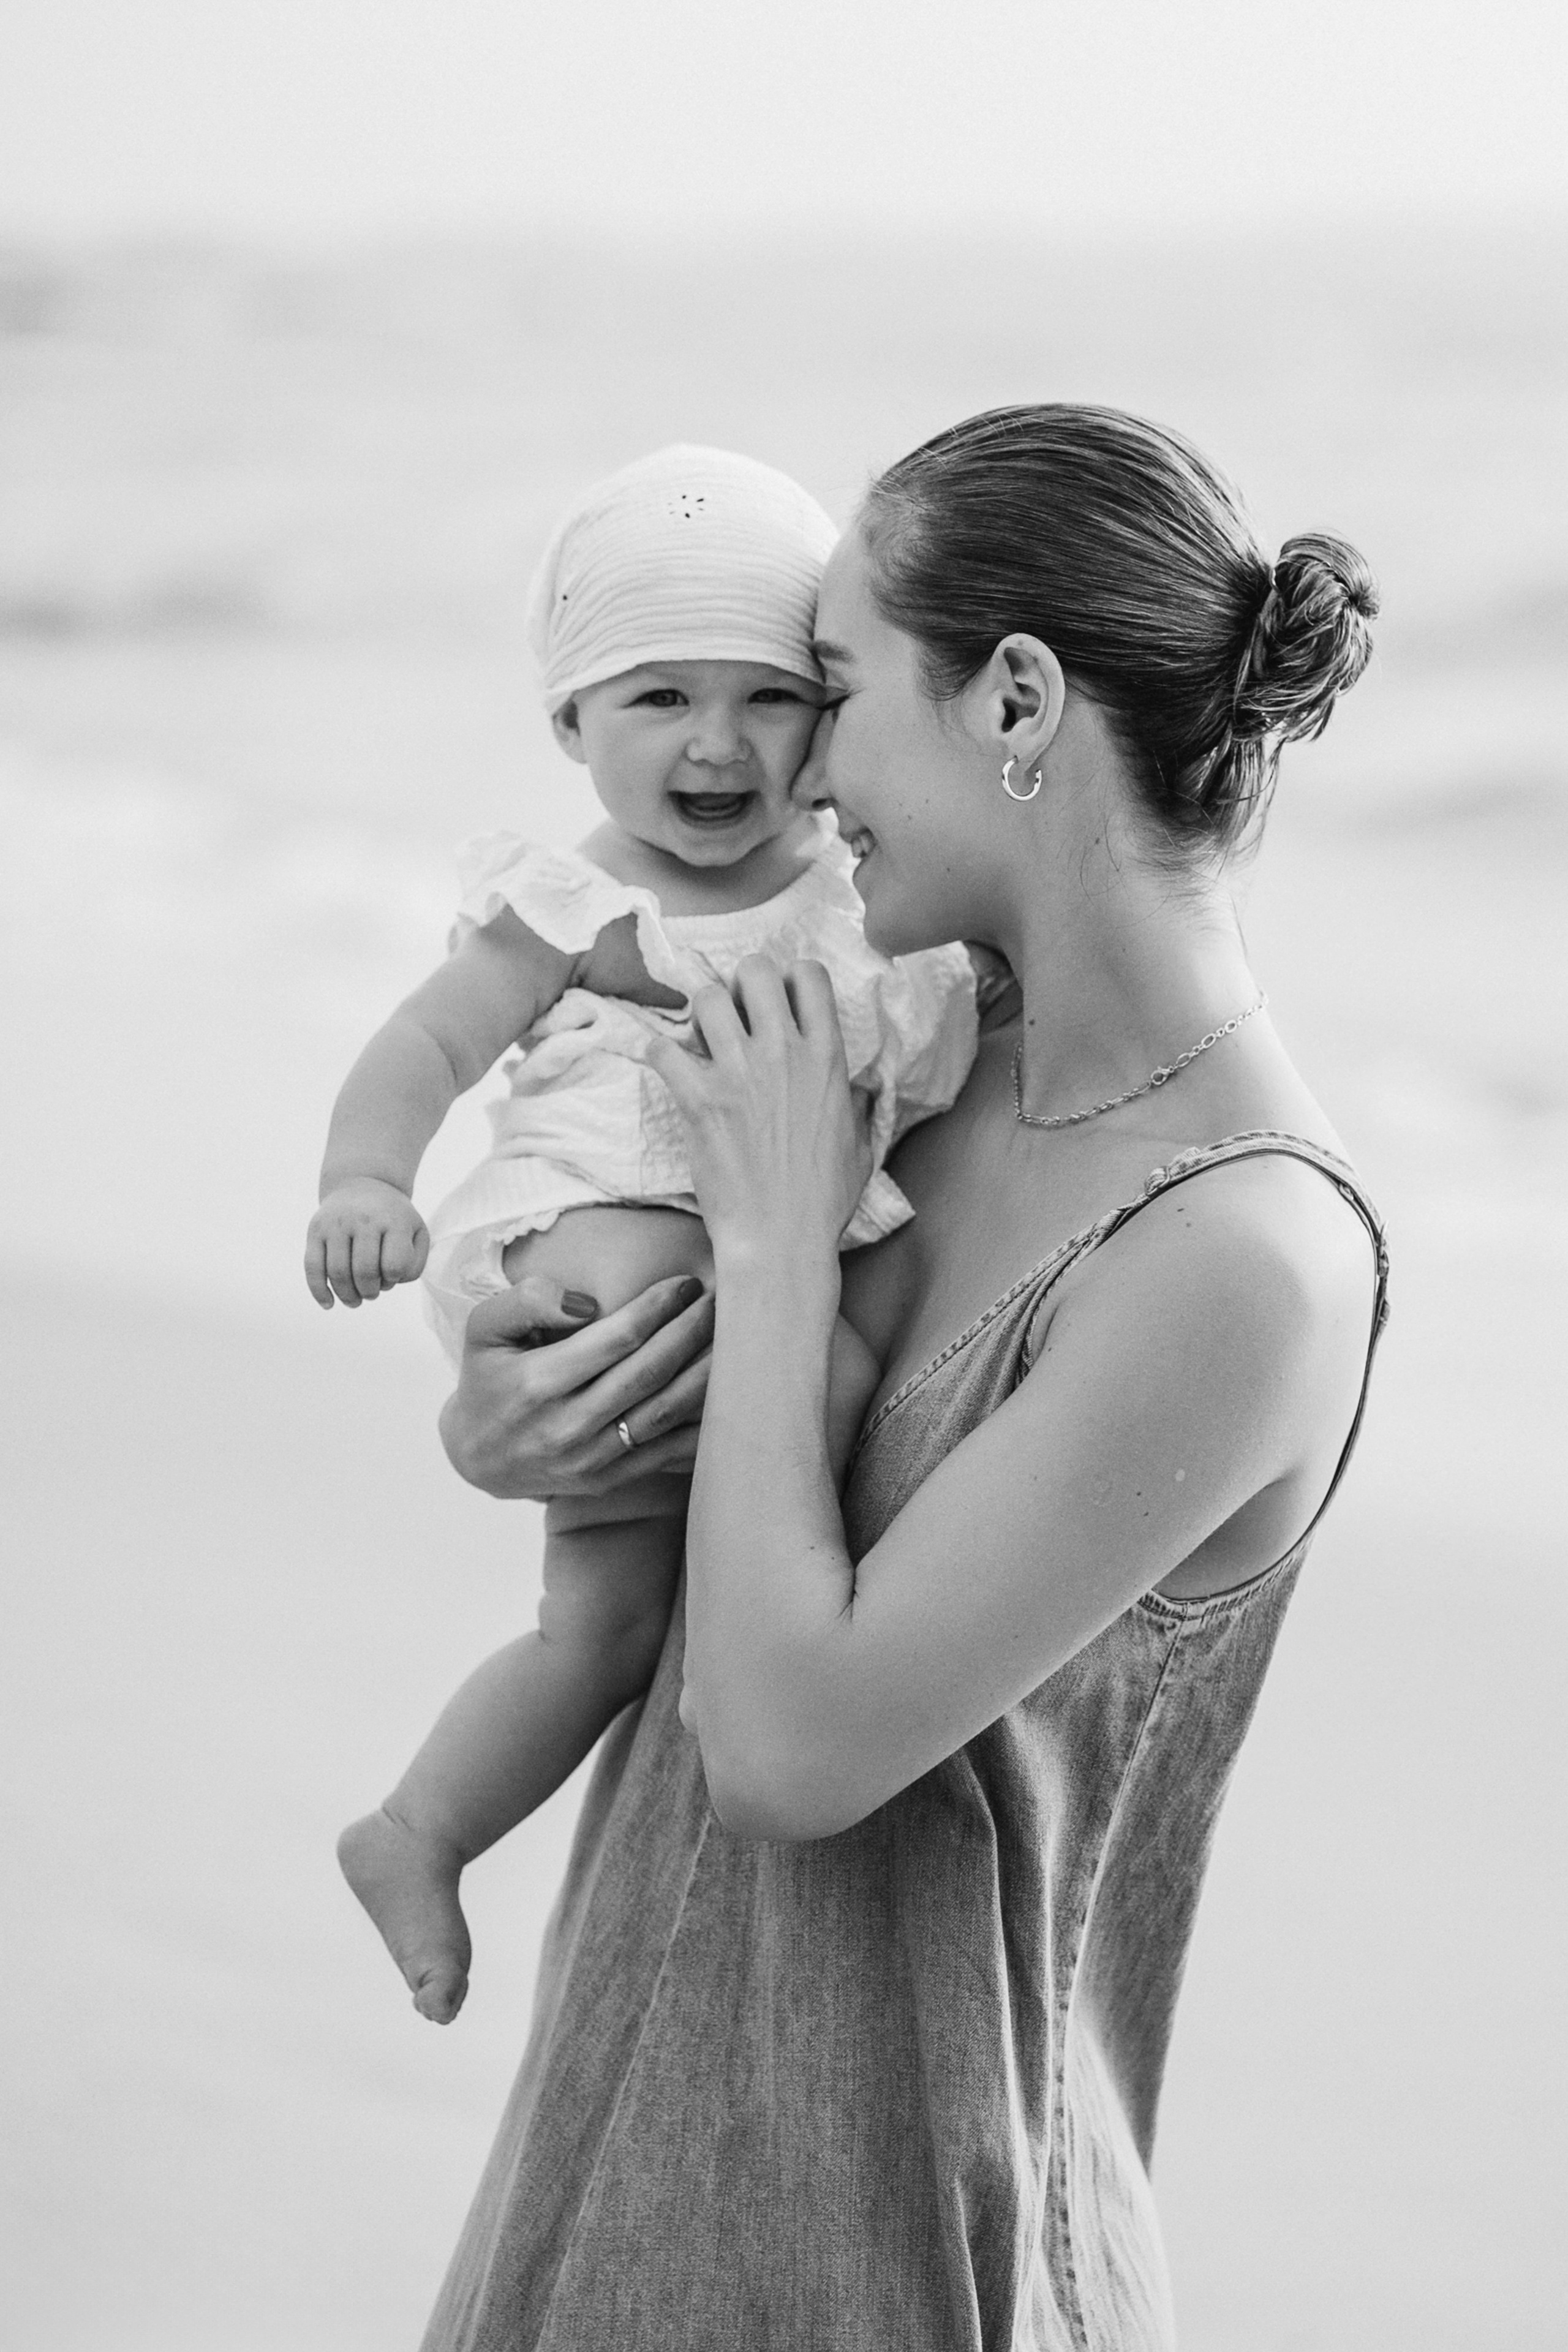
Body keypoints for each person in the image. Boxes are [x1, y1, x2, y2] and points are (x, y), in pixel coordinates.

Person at [421, 405, 1390, 2350]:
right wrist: (513, 1398)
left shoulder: (1240, 1261)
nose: (795, 768)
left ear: (1016, 699)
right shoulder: (912, 1070)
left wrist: (779, 1244)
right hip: (621, 2130)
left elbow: (789, 1750)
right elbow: (691, 1483)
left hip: (910, 2250)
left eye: (834, 690)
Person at [304, 445, 979, 2022]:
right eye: (659, 699)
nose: (720, 744)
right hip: (605, 1260)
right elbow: (425, 1048)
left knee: (607, 1635)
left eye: (768, 696)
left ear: (834, 713)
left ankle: (414, 1834)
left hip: (762, 1274)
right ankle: (446, 1817)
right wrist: (364, 1186)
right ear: (569, 725)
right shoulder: (574, 907)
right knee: (717, 1495)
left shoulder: (864, 897)